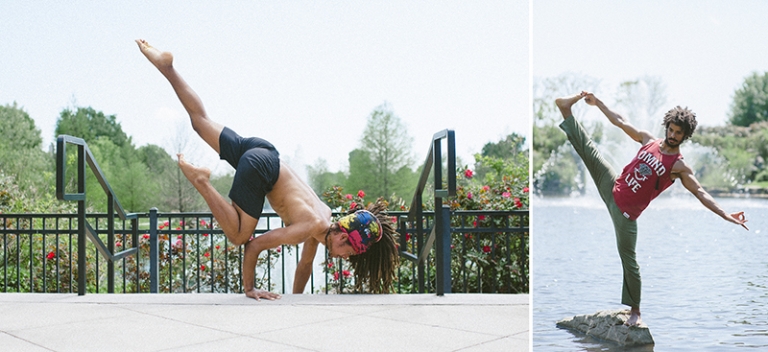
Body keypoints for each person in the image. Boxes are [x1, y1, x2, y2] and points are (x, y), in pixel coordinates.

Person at [135, 39, 399, 299]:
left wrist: (295, 301)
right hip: (261, 169)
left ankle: (167, 67)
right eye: (348, 253)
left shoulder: (323, 218)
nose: (344, 258)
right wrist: (250, 289)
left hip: (265, 152)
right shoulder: (309, 225)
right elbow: (254, 247)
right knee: (239, 236)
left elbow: (305, 265)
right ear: (342, 238)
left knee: (200, 121)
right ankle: (202, 181)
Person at [555, 91, 748, 326]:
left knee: (629, 261)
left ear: (685, 136)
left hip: (626, 214)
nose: (673, 135)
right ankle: (566, 109)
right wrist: (598, 103)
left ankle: (635, 311)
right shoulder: (649, 141)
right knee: (589, 150)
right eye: (671, 130)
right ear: (667, 127)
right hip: (613, 186)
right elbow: (620, 121)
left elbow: (700, 192)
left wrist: (725, 214)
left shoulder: (679, 166)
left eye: (678, 133)